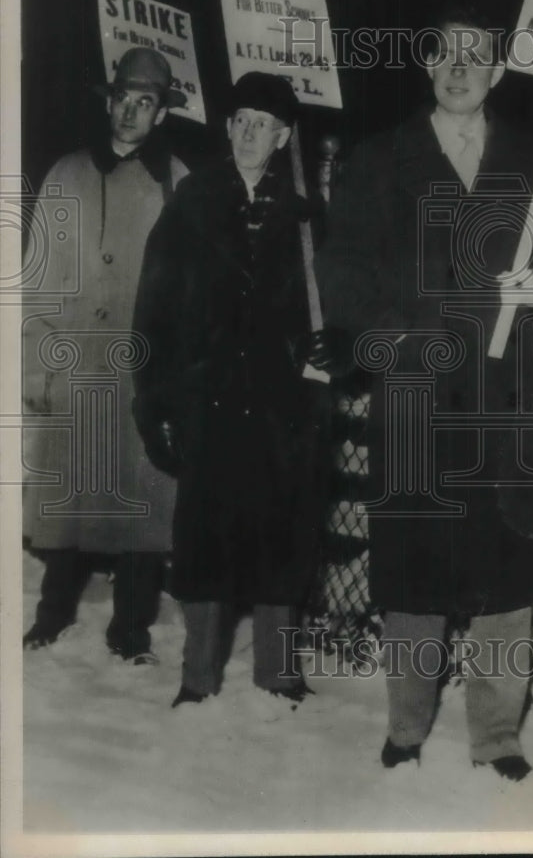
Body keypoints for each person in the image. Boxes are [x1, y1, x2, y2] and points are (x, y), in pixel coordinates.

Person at [316, 8, 533, 779]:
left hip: (507, 404)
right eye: (444, 54)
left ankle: (496, 735)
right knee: (413, 568)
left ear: (497, 73)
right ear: (428, 66)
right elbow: (342, 275)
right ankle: (406, 726)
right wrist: (396, 331)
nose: (459, 67)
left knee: (505, 570)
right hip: (416, 395)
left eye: (475, 57)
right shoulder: (379, 161)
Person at [132, 71, 337, 708]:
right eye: (241, 120)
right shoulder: (191, 202)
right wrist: (155, 401)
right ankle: (198, 676)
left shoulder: (309, 217)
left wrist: (339, 344)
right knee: (204, 534)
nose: (250, 133)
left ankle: (277, 672)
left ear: (283, 137)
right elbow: (153, 312)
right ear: (228, 128)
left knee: (284, 530)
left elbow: (337, 304)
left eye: (263, 125)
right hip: (207, 397)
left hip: (284, 403)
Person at [23, 48, 189, 662]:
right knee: (66, 494)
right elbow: (37, 277)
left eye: (145, 102)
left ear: (160, 114)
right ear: (109, 100)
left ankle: (131, 629)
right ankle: (51, 613)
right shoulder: (66, 173)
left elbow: (189, 288)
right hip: (73, 362)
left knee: (141, 500)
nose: (131, 111)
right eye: (123, 97)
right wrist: (37, 357)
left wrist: (173, 376)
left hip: (138, 368)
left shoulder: (176, 181)